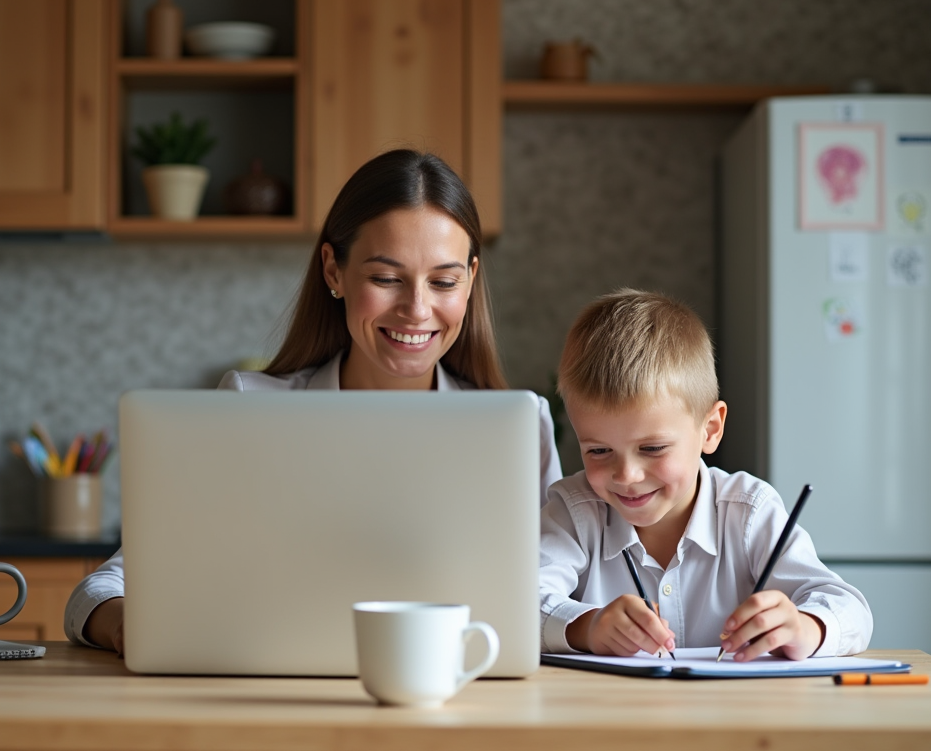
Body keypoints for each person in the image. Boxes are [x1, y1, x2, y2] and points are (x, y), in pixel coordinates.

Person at [67, 149, 563, 653]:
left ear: (471, 279)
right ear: (333, 270)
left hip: (459, 690)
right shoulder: (248, 410)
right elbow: (102, 588)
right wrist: (132, 624)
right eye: (386, 278)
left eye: (443, 282)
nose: (417, 309)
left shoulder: (521, 430)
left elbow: (551, 601)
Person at [540, 289, 871, 660]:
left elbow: (850, 610)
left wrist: (804, 627)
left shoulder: (749, 511)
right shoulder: (572, 512)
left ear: (710, 429)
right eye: (599, 451)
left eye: (653, 448)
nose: (627, 475)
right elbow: (519, 604)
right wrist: (586, 626)